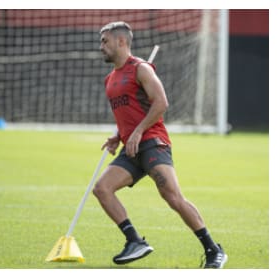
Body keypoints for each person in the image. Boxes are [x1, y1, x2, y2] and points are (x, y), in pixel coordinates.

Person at [93, 21, 228, 269]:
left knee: (172, 196)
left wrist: (138, 132)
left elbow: (161, 103)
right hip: (131, 148)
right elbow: (129, 112)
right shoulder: (109, 79)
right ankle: (135, 241)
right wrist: (119, 136)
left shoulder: (141, 69)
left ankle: (213, 249)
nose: (101, 46)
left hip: (153, 143)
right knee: (101, 189)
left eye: (105, 41)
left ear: (121, 41)